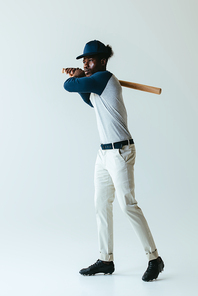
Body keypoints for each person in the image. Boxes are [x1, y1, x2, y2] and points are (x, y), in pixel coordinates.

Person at [63, 40, 164, 281]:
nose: (86, 64)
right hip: (104, 154)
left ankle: (154, 258)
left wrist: (75, 77)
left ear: (103, 61)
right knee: (101, 204)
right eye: (83, 61)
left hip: (120, 152)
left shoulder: (104, 78)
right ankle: (105, 260)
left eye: (90, 60)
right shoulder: (97, 84)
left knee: (127, 205)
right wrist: (79, 79)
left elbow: (69, 86)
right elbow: (86, 97)